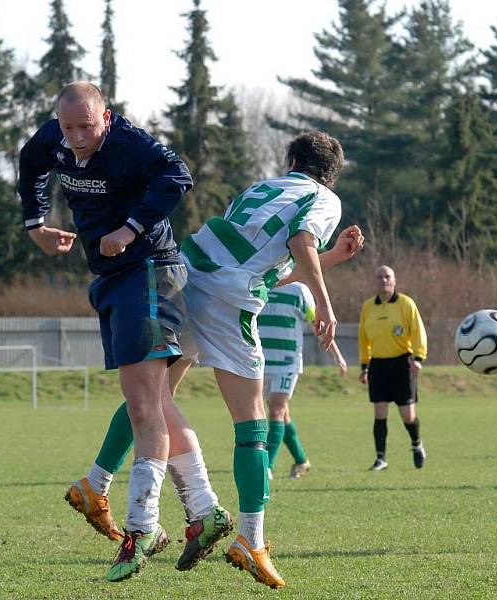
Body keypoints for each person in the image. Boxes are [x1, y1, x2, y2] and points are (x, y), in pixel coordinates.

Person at [69, 130, 364, 589]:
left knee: (154, 396)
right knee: (252, 423)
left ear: (291, 159)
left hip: (189, 270)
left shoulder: (262, 188)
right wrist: (325, 303)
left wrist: (331, 259)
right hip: (229, 298)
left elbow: (266, 262)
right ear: (333, 174)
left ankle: (96, 481)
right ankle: (251, 540)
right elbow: (301, 242)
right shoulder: (325, 198)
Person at [18, 81, 232, 583]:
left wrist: (130, 227)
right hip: (112, 280)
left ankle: (142, 529)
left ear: (106, 118)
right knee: (155, 402)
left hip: (152, 272)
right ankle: (205, 509)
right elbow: (31, 161)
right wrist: (36, 223)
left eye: (86, 126)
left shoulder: (131, 143)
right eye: (68, 127)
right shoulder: (54, 139)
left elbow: (178, 174)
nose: (75, 137)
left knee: (142, 407)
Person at [258, 281, 348, 480]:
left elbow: (318, 326)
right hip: (262, 362)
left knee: (275, 410)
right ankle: (301, 461)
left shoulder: (299, 291)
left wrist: (337, 356)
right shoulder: (260, 282)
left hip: (287, 363)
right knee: (282, 416)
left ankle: (266, 467)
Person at [358, 265, 428, 471]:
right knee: (379, 413)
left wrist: (418, 358)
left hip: (402, 364)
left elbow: (418, 332)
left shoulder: (406, 304)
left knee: (408, 415)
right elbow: (363, 339)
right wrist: (364, 366)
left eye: (387, 276)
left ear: (394, 280)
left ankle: (417, 444)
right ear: (375, 281)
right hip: (378, 365)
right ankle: (381, 459)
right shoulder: (368, 307)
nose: (383, 280)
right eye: (379, 277)